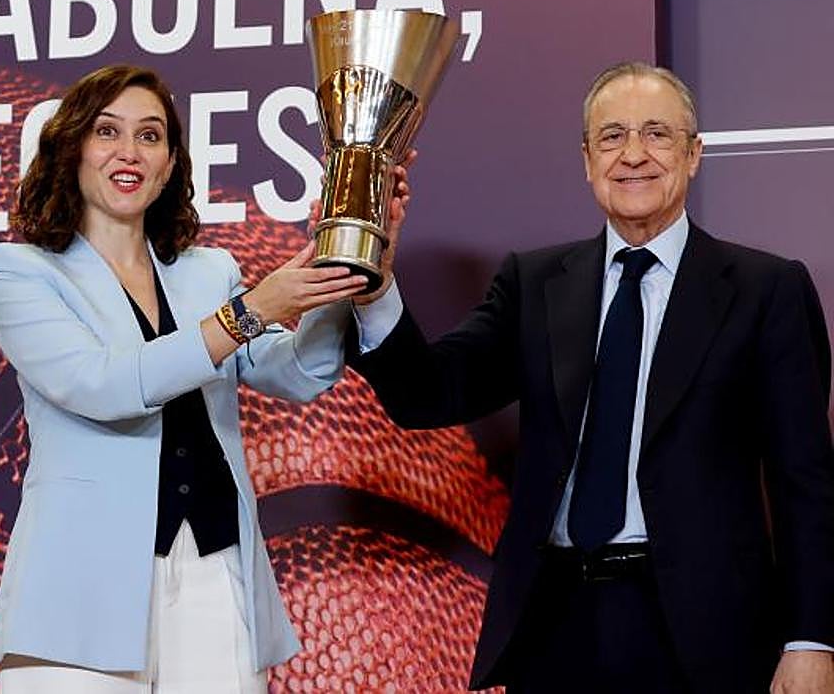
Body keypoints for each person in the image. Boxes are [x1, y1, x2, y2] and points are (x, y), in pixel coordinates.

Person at [350, 62, 834, 693]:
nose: (633, 155)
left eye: (656, 134)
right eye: (611, 137)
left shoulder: (765, 290)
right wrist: (375, 285)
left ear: (693, 155)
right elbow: (428, 394)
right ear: (586, 160)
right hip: (555, 627)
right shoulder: (534, 284)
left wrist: (810, 639)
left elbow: (805, 482)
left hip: (707, 634)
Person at [0, 64, 374, 693]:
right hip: (79, 587)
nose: (129, 152)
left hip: (216, 575)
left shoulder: (208, 272)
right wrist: (247, 313)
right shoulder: (19, 270)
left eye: (150, 135)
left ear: (169, 165)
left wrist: (340, 264)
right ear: (71, 148)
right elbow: (101, 385)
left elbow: (301, 372)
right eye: (107, 131)